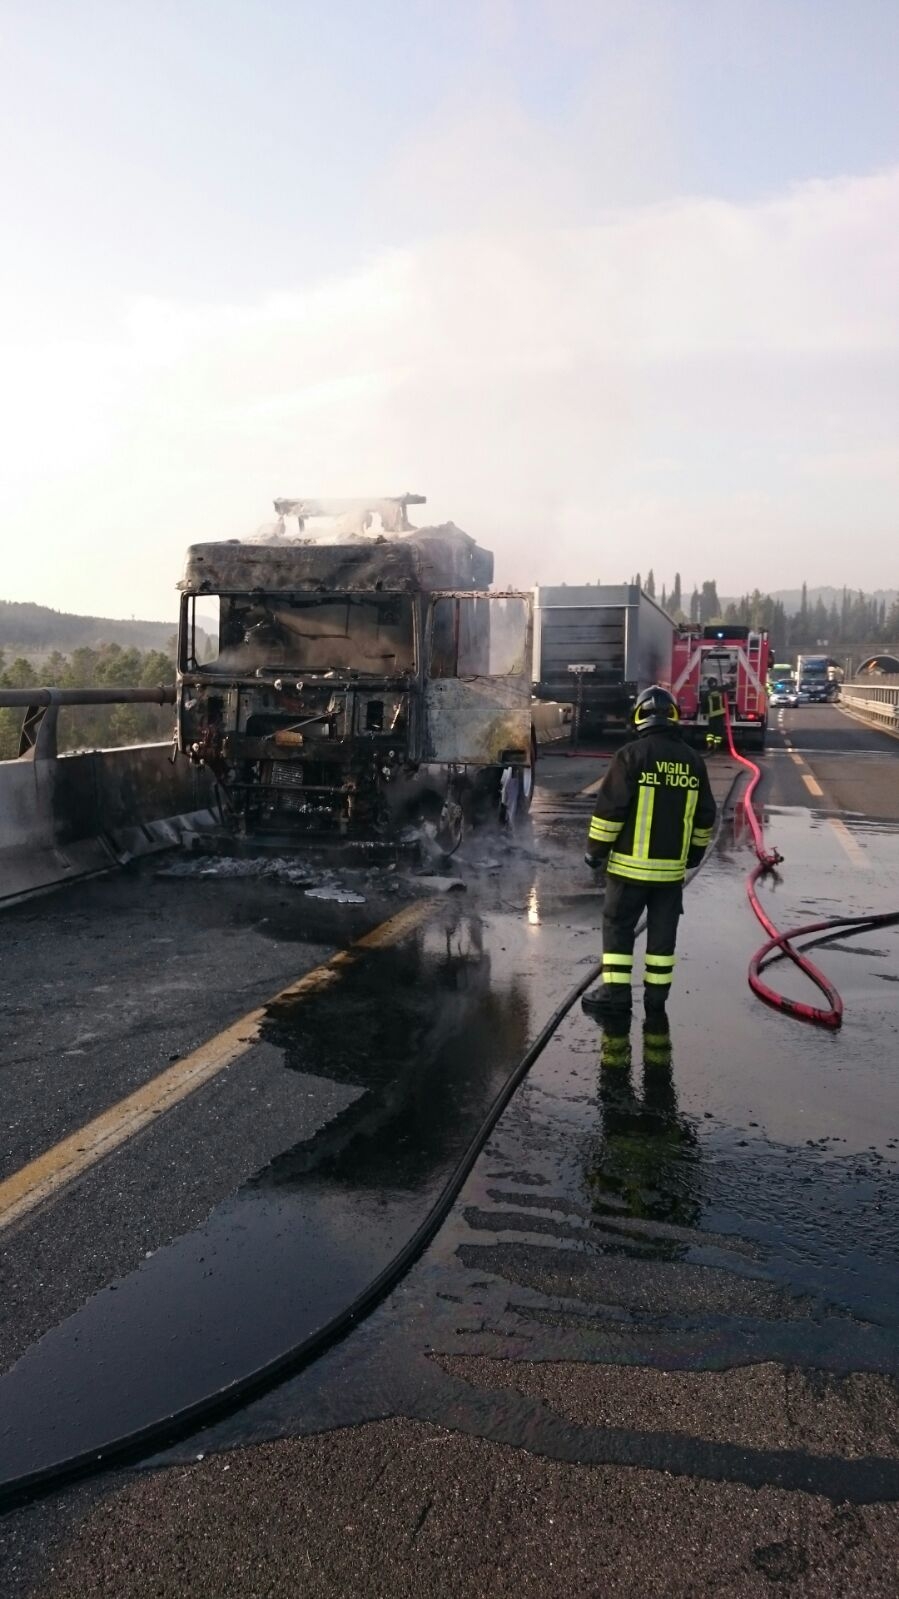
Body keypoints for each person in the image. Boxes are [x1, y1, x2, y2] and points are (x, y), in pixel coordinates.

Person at [582, 684, 716, 1021]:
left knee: (618, 928)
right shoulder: (693, 761)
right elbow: (705, 817)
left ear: (639, 717)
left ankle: (615, 996)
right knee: (662, 938)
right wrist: (694, 854)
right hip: (670, 877)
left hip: (628, 873)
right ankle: (656, 1000)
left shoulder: (629, 756)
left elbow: (610, 812)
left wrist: (595, 851)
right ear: (674, 717)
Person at [703, 676, 726, 752]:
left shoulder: (707, 693)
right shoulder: (720, 690)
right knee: (719, 731)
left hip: (712, 715)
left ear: (709, 684)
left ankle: (709, 743)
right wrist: (732, 683)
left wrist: (704, 713)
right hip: (720, 714)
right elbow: (727, 687)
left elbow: (704, 704)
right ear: (715, 683)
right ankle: (716, 745)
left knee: (711, 730)